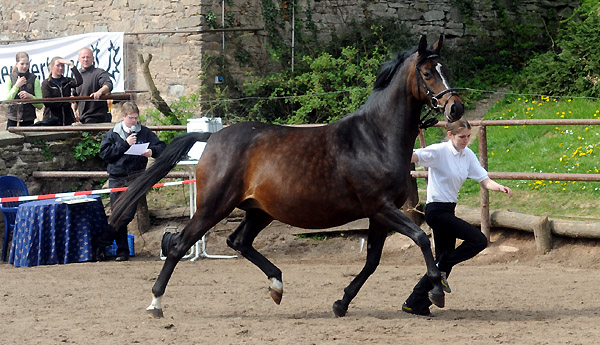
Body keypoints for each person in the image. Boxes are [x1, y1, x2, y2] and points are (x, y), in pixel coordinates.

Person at [402, 118, 513, 317]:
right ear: (450, 134)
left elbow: (483, 178)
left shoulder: (467, 155)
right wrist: (411, 134)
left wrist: (499, 187)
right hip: (436, 211)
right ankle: (438, 271)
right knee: (478, 240)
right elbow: (411, 157)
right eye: (462, 137)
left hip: (449, 210)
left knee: (443, 262)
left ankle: (415, 303)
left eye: (469, 137)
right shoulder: (438, 151)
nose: (466, 140)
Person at [98, 101, 166, 261]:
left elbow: (162, 147)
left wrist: (152, 151)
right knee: (118, 214)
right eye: (131, 118)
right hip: (117, 176)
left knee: (127, 214)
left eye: (136, 118)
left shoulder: (144, 132)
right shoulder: (112, 134)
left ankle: (102, 241)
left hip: (136, 176)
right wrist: (124, 144)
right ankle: (122, 251)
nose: (134, 121)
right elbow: (106, 155)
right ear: (123, 117)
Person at [0, 52, 42, 129]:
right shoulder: (10, 78)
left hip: (29, 119)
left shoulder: (34, 79)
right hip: (12, 119)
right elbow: (5, 103)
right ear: (17, 64)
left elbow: (40, 105)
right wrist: (16, 86)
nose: (25, 66)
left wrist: (30, 97)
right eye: (22, 64)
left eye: (27, 64)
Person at [72, 47, 113, 124]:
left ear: (93, 58)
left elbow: (108, 85)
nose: (85, 59)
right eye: (83, 57)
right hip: (82, 118)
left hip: (98, 117)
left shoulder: (99, 73)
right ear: (79, 59)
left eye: (88, 57)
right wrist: (74, 111)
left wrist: (99, 92)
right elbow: (74, 98)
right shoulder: (77, 77)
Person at [39, 57, 83, 126]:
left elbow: (79, 81)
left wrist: (71, 65)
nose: (60, 68)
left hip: (67, 118)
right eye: (58, 65)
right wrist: (66, 101)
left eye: (62, 66)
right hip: (52, 119)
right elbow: (48, 102)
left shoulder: (67, 81)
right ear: (51, 67)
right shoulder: (46, 83)